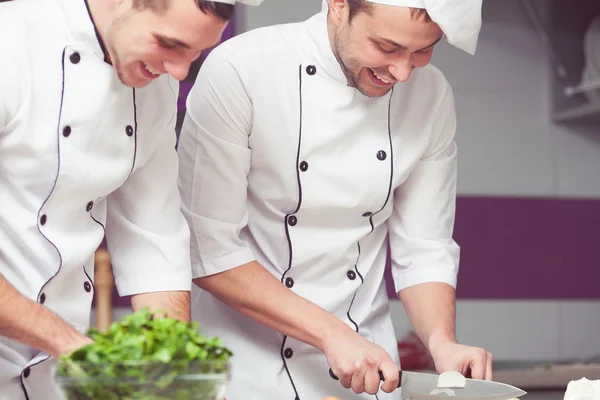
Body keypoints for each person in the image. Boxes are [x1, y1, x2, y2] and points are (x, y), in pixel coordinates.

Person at [177, 0, 490, 399]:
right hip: (242, 369)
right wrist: (331, 333)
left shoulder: (431, 97)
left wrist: (441, 342)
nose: (403, 72)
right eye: (387, 47)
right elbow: (209, 249)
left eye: (424, 50)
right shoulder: (243, 69)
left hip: (365, 372)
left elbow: (424, 247)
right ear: (339, 5)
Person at [0, 0, 260, 398]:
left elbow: (152, 237)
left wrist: (175, 370)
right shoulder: (11, 45)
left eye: (196, 54)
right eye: (170, 44)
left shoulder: (157, 85)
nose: (180, 71)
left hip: (50, 369)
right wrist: (78, 350)